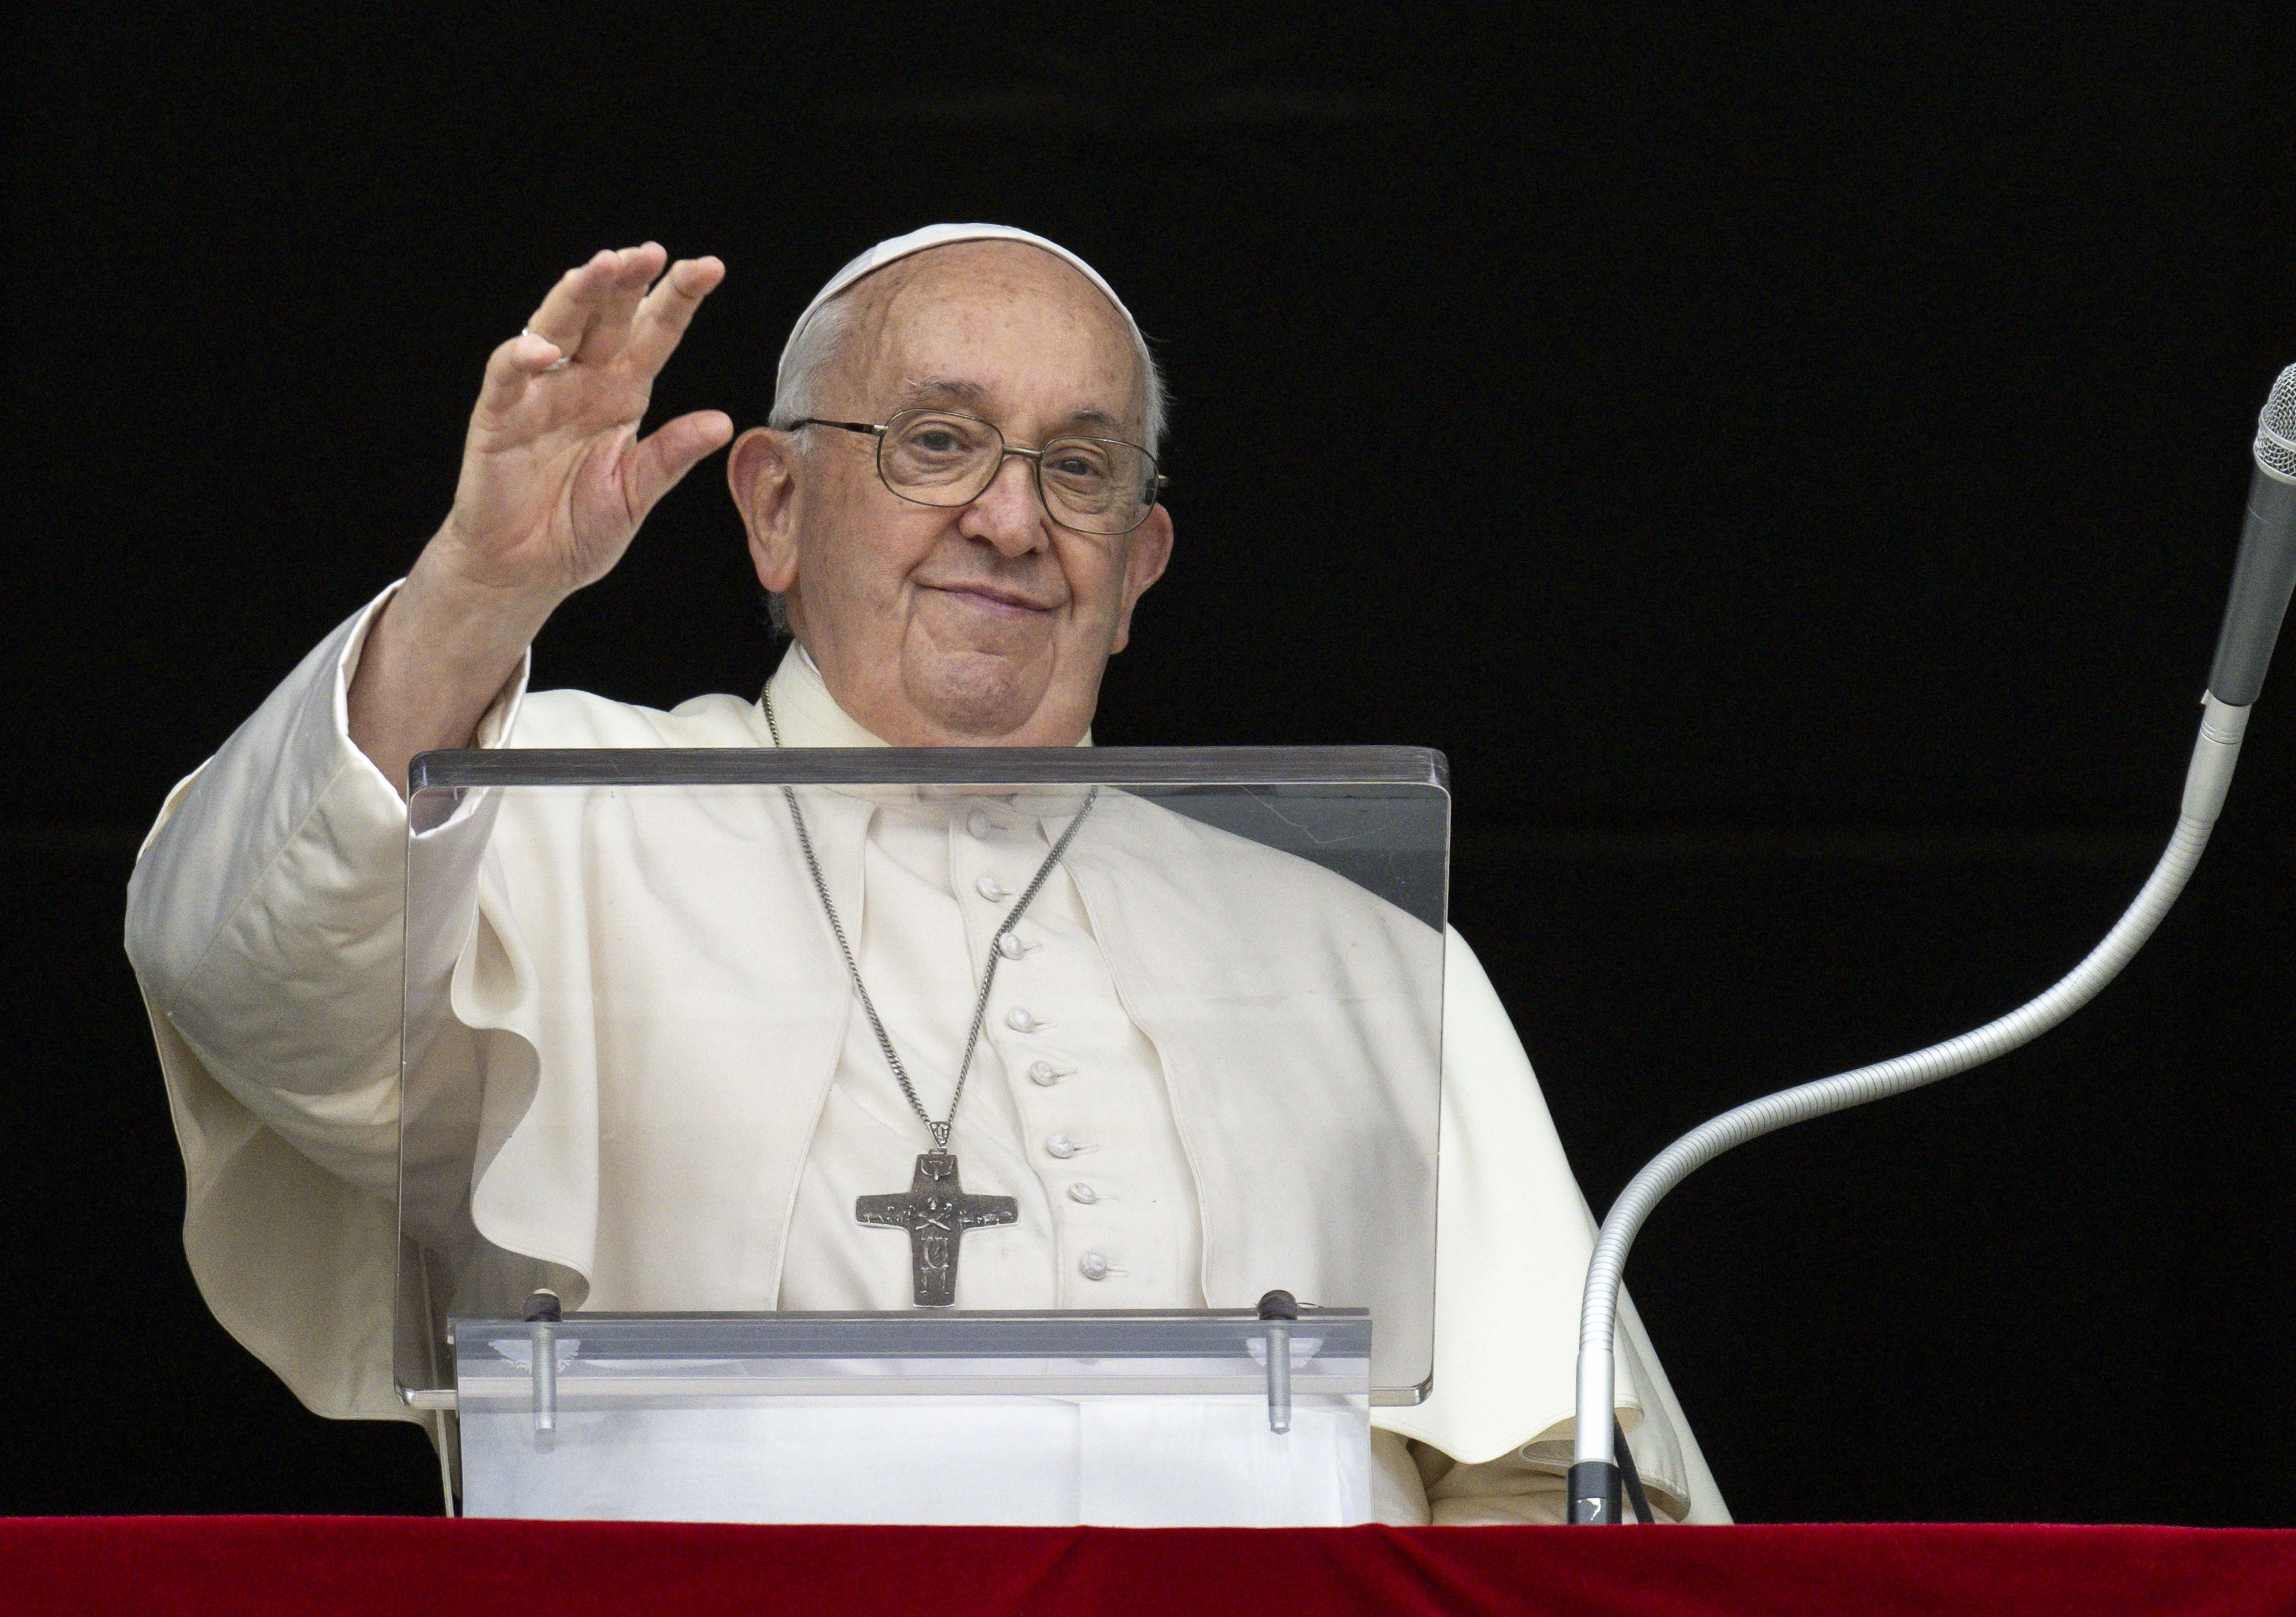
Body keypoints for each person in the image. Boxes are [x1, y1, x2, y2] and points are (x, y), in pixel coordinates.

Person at [123, 225, 1727, 1526]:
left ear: (1137, 574)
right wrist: (472, 595)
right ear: (772, 506)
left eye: (1082, 467)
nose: (1013, 519)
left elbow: (1558, 1474)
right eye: (936, 441)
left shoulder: (1358, 957)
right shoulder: (547, 815)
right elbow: (245, 970)